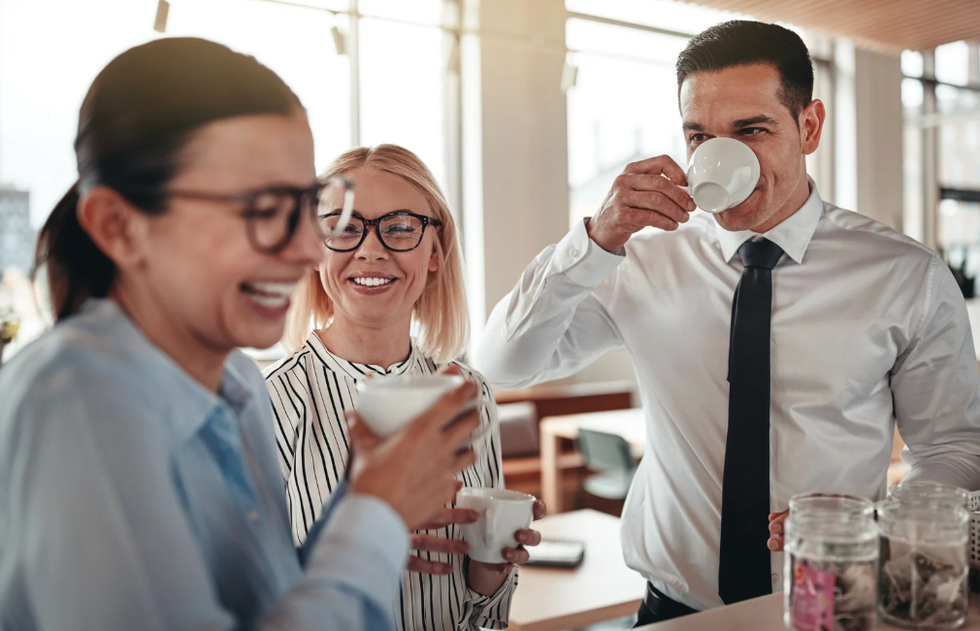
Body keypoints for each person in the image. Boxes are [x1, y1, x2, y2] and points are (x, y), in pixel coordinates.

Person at [473, 20, 980, 625]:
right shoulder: (638, 257)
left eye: (751, 130)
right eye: (699, 135)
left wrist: (880, 522)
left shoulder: (904, 274)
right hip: (670, 609)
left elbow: (954, 444)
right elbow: (503, 363)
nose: (719, 154)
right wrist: (590, 241)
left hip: (831, 600)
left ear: (809, 126)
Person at [0, 38, 481, 631]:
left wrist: (358, 504)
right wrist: (374, 516)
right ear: (120, 227)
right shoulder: (77, 405)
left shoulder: (238, 382)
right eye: (261, 209)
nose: (309, 249)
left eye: (303, 205)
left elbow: (268, 606)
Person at [265, 144, 546, 631]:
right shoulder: (267, 402)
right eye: (345, 228)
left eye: (398, 227)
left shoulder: (470, 393)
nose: (370, 250)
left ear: (435, 251)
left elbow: (488, 619)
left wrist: (488, 570)